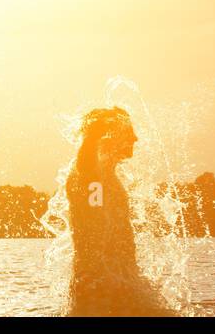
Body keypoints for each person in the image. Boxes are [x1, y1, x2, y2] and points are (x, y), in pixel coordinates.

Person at [65, 106, 174, 316]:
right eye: (129, 131)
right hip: (100, 289)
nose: (135, 137)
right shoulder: (91, 176)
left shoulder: (106, 174)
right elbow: (88, 176)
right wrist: (92, 137)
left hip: (117, 285)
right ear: (111, 136)